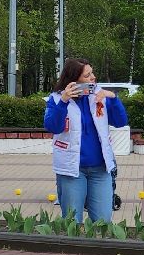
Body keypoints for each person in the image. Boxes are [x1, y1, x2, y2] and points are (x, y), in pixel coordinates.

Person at [43, 58, 129, 223]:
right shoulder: (56, 98)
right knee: (72, 222)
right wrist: (64, 101)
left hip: (101, 170)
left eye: (92, 73)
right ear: (74, 79)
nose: (93, 77)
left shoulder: (100, 95)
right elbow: (53, 127)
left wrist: (113, 98)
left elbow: (121, 122)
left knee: (103, 222)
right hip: (72, 170)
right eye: (87, 75)